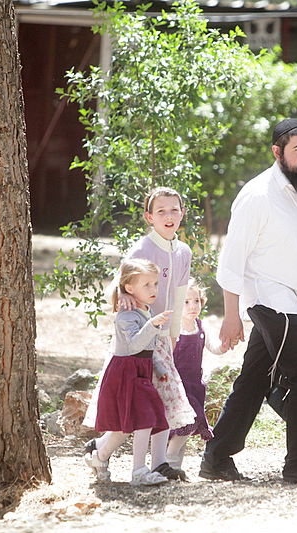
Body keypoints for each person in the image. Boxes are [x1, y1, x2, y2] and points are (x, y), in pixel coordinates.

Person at [200, 118, 297, 484]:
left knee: (254, 379)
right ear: (277, 152)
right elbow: (231, 261)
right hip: (269, 300)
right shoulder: (257, 195)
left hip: (294, 302)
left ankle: (216, 458)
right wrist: (231, 315)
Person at [84, 187, 196, 481]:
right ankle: (102, 450)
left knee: (163, 399)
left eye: (174, 210)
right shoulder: (141, 249)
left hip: (163, 338)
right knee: (135, 402)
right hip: (138, 338)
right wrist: (122, 296)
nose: (169, 216)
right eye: (161, 211)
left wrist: (174, 333)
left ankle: (159, 463)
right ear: (149, 217)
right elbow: (120, 284)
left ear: (182, 213)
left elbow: (179, 293)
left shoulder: (183, 251)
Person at [85, 258, 174, 486]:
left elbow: (148, 348)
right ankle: (134, 469)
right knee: (127, 425)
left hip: (141, 371)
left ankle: (105, 459)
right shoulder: (126, 315)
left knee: (140, 420)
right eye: (147, 285)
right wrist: (152, 325)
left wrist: (158, 367)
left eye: (155, 283)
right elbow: (134, 345)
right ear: (129, 288)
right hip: (125, 374)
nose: (153, 289)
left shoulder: (146, 310)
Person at [166, 279, 226, 474]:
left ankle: (175, 468)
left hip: (194, 385)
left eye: (196, 301)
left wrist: (224, 346)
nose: (192, 306)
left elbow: (214, 347)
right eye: (186, 302)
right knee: (186, 423)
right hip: (177, 386)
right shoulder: (174, 329)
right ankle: (168, 461)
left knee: (185, 426)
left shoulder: (200, 326)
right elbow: (166, 356)